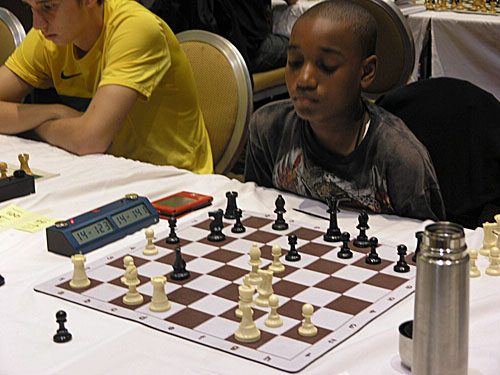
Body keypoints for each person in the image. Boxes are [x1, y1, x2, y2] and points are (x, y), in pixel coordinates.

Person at [244, 0, 445, 221]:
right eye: (294, 62)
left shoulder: (400, 157)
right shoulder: (268, 128)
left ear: (366, 71)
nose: (304, 80)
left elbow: (423, 241)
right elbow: (258, 212)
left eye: (327, 66)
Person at [0, 0, 213, 174]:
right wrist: (54, 112)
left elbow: (88, 141)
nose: (37, 24)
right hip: (102, 170)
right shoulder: (49, 36)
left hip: (172, 180)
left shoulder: (135, 28)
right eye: (31, 8)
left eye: (48, 7)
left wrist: (27, 125)